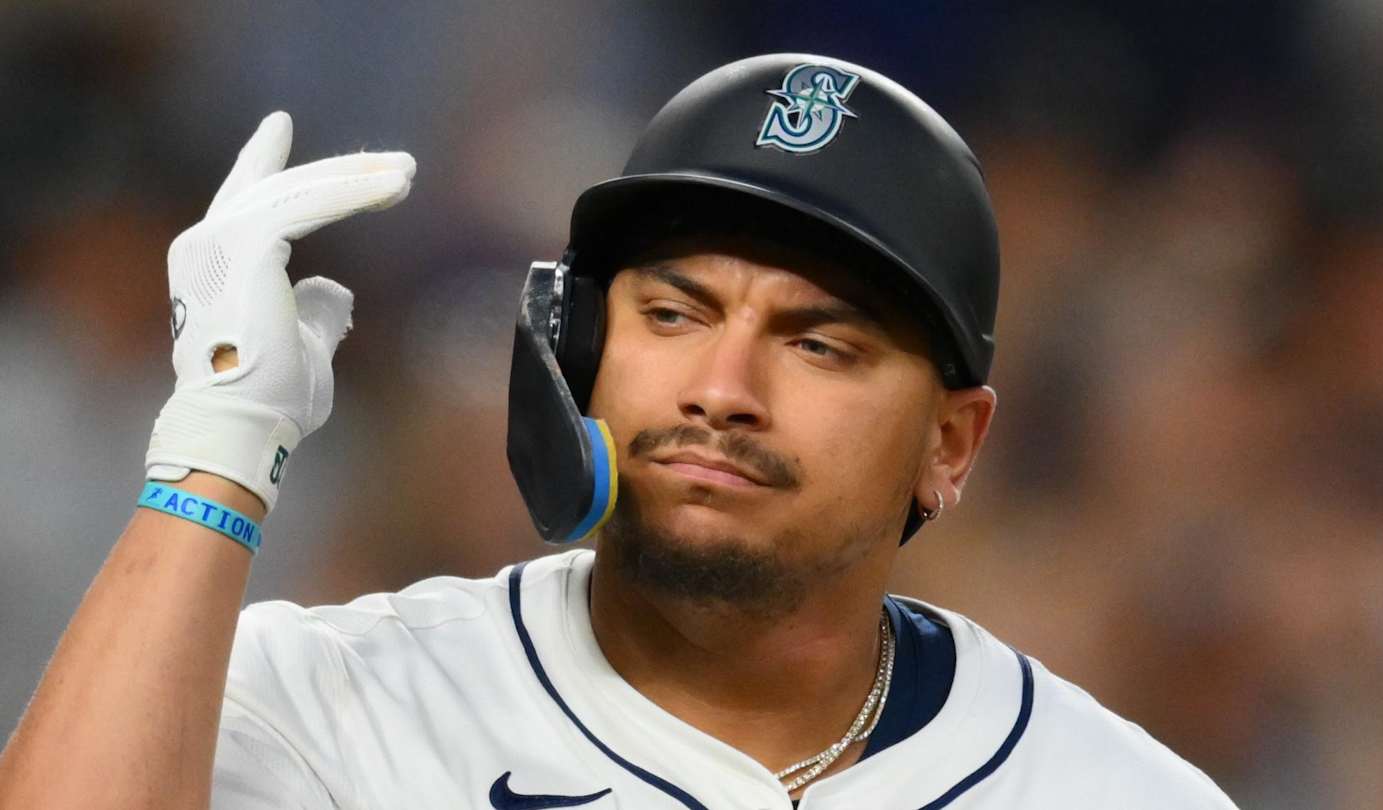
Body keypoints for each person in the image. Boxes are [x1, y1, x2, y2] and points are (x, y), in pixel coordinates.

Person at [0, 54, 1238, 809]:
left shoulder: (1114, 794)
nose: (722, 387)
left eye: (819, 344)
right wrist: (220, 434)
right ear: (583, 350)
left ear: (952, 445)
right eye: (672, 313)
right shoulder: (335, 703)